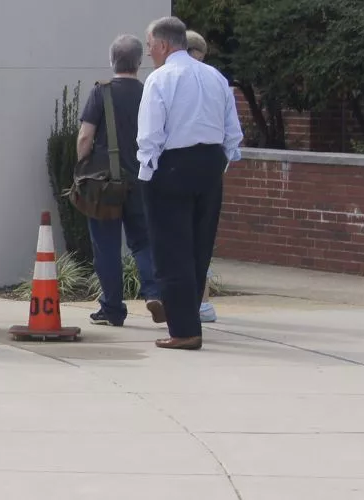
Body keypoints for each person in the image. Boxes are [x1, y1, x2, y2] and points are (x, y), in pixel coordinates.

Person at [136, 16, 242, 350]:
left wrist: (146, 172)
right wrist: (221, 162)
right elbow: (233, 132)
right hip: (210, 164)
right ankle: (188, 319)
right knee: (199, 247)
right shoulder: (215, 76)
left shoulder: (160, 78)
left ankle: (184, 330)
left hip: (172, 165)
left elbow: (150, 133)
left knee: (171, 249)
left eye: (150, 45)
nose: (149, 52)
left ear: (163, 45)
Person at [77, 35, 163, 327]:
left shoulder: (101, 92)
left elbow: (85, 136)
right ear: (139, 61)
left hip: (106, 185)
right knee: (143, 241)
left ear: (112, 60)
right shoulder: (151, 92)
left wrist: (82, 165)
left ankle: (112, 309)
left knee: (106, 246)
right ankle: (154, 293)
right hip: (143, 180)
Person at [186, 28, 219, 325]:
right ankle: (202, 303)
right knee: (202, 238)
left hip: (182, 168)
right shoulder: (215, 81)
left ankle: (198, 302)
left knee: (189, 238)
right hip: (210, 166)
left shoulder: (168, 80)